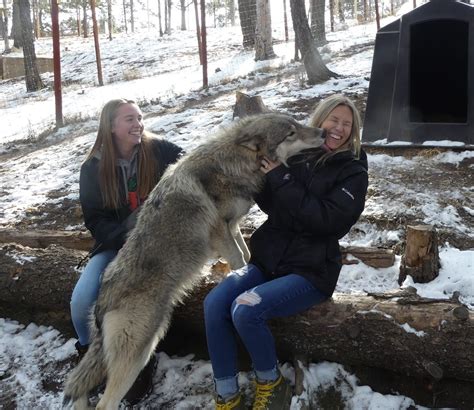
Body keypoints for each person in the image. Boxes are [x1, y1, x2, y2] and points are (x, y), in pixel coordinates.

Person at [203, 94, 369, 410]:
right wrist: (259, 171)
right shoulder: (297, 153)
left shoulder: (353, 170)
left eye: (347, 124)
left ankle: (272, 382)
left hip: (310, 269)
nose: (339, 128)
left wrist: (281, 177)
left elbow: (327, 221)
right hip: (269, 259)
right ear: (320, 120)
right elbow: (274, 206)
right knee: (214, 304)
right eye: (334, 120)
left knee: (246, 309)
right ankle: (226, 394)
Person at [70, 98, 183, 405]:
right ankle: (89, 362)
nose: (138, 124)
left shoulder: (160, 151)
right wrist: (125, 240)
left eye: (140, 117)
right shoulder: (93, 167)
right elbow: (95, 220)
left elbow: (191, 168)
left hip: (158, 247)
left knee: (144, 303)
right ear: (111, 126)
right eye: (129, 119)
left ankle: (140, 362)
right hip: (115, 246)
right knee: (82, 301)